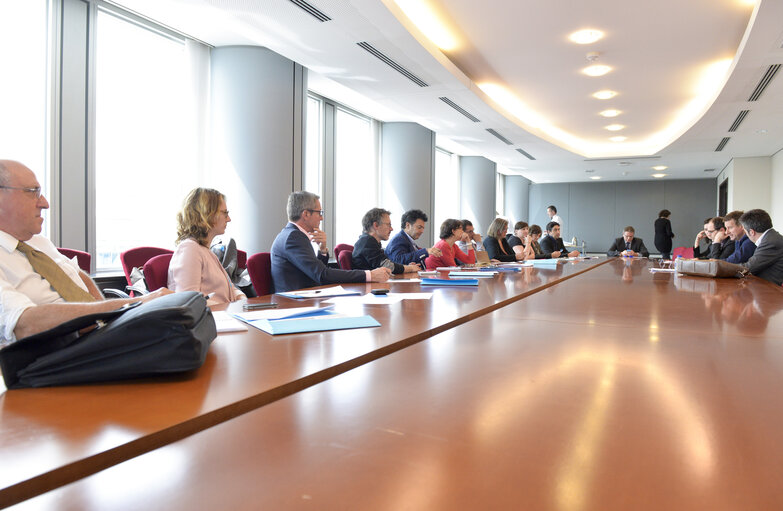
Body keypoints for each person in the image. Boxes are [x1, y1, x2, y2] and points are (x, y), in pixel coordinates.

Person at [0, 160, 171, 348]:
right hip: (51, 357)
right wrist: (134, 304)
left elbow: (78, 275)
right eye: (33, 192)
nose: (45, 203)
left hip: (94, 340)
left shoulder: (39, 242)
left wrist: (109, 322)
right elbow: (25, 324)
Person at [270, 191, 391, 293]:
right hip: (295, 304)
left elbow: (315, 271)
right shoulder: (293, 237)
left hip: (306, 297)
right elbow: (322, 275)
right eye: (319, 213)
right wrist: (370, 275)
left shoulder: (293, 234)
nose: (322, 218)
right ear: (306, 214)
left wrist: (322, 250)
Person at [168, 188, 246, 306]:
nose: (229, 219)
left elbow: (229, 289)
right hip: (211, 321)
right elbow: (189, 302)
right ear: (206, 214)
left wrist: (240, 297)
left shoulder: (204, 250)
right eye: (224, 213)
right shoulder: (189, 249)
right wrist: (229, 308)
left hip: (222, 317)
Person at [352, 208, 420, 274]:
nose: (391, 229)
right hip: (368, 285)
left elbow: (388, 263)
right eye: (388, 225)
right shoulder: (367, 242)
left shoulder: (369, 241)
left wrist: (407, 267)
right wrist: (410, 268)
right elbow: (387, 267)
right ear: (376, 225)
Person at [738, 209, 783, 286]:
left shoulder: (771, 242)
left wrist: (722, 269)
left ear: (752, 232)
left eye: (745, 232)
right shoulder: (771, 237)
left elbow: (749, 268)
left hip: (770, 291)